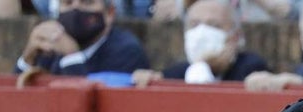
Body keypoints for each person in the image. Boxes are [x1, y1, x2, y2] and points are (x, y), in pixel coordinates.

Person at [132, 0, 268, 86]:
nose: (202, 32)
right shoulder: (177, 72)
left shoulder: (250, 67)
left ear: (235, 36)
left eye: (214, 25)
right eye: (195, 25)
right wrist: (147, 79)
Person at [15, 0, 149, 78]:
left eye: (86, 2)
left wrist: (72, 57)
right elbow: (14, 105)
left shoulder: (126, 52)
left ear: (109, 13)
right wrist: (28, 60)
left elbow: (89, 109)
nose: (75, 8)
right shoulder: (52, 44)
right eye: (68, 2)